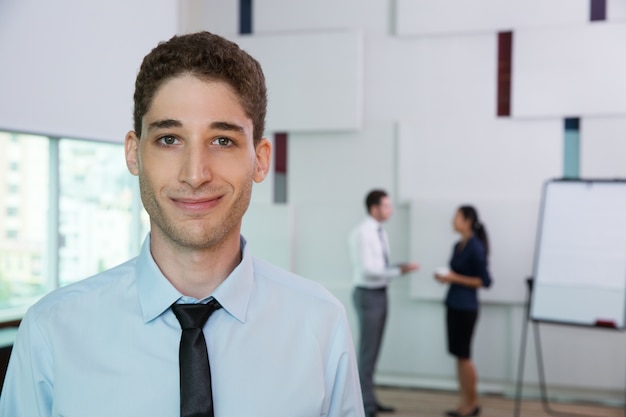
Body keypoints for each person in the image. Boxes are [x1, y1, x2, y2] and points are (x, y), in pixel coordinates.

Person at [0, 31, 364, 417]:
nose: (195, 174)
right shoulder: (52, 332)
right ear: (134, 153)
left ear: (259, 160)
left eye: (222, 140)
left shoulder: (320, 322)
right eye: (170, 138)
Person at [349, 189, 419, 417]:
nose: (390, 210)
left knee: (374, 351)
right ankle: (364, 406)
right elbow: (369, 271)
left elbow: (381, 265)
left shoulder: (380, 232)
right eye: (386, 206)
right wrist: (398, 271)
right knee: (367, 352)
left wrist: (399, 266)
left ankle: (370, 400)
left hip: (380, 293)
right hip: (368, 295)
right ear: (374, 208)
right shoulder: (363, 233)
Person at [434, 205, 492, 417]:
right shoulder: (458, 245)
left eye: (456, 217)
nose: (452, 220)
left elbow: (485, 281)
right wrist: (446, 278)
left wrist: (453, 278)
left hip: (467, 308)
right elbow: (457, 274)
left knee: (465, 356)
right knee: (458, 356)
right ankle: (464, 402)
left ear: (467, 220)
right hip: (454, 304)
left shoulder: (475, 247)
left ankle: (473, 403)